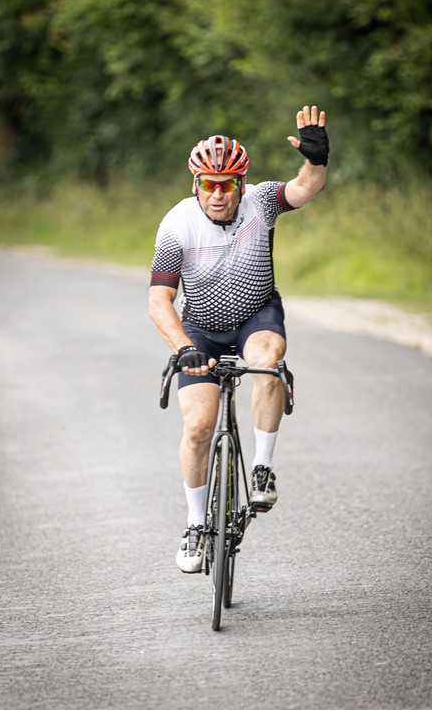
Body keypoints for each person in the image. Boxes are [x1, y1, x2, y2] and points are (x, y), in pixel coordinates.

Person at [149, 104, 329, 573]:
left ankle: (262, 468)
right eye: (209, 184)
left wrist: (316, 158)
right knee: (197, 427)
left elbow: (306, 187)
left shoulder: (262, 203)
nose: (218, 194)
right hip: (200, 331)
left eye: (227, 184)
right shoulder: (177, 224)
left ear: (241, 184)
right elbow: (159, 300)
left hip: (256, 315)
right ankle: (195, 524)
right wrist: (183, 348)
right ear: (196, 183)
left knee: (268, 362)